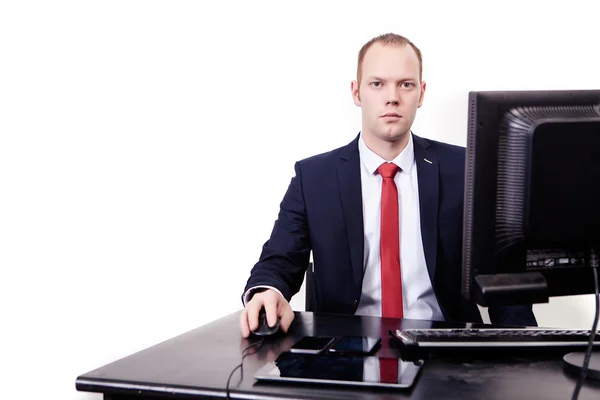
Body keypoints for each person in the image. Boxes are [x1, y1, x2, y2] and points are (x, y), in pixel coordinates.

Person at [239, 33, 537, 338]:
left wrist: (524, 350)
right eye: (377, 84)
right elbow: (279, 260)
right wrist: (268, 290)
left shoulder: (464, 170)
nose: (392, 97)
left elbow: (504, 280)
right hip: (346, 349)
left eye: (405, 85)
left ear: (421, 94)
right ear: (356, 93)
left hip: (446, 348)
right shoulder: (313, 177)